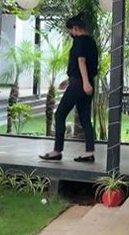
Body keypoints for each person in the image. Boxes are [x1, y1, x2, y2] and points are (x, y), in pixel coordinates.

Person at [40, 16, 98, 163]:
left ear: (76, 29)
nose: (70, 33)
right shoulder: (91, 41)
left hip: (80, 83)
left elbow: (81, 61)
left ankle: (57, 151)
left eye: (70, 30)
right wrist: (71, 80)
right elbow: (84, 65)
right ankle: (89, 152)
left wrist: (83, 82)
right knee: (85, 117)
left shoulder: (79, 40)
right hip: (85, 81)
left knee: (60, 114)